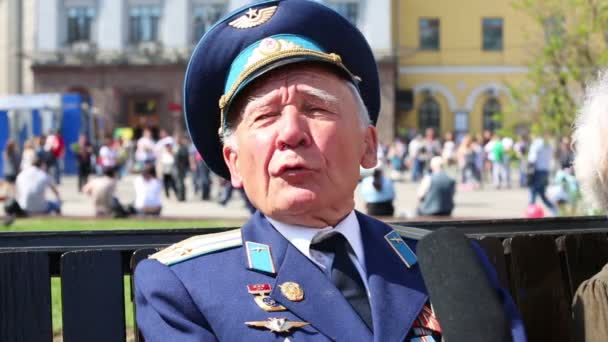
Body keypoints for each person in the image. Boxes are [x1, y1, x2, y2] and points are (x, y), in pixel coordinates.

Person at [133, 1, 526, 341]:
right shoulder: (186, 284)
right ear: (234, 162)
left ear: (368, 146)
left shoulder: (443, 265)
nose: (290, 133)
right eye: (266, 116)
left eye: (316, 108)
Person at [527, 134, 558, 216]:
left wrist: (529, 172)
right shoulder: (548, 144)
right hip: (545, 171)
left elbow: (532, 158)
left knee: (533, 191)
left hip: (537, 171)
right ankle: (553, 209)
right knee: (542, 193)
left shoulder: (536, 143)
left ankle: (530, 212)